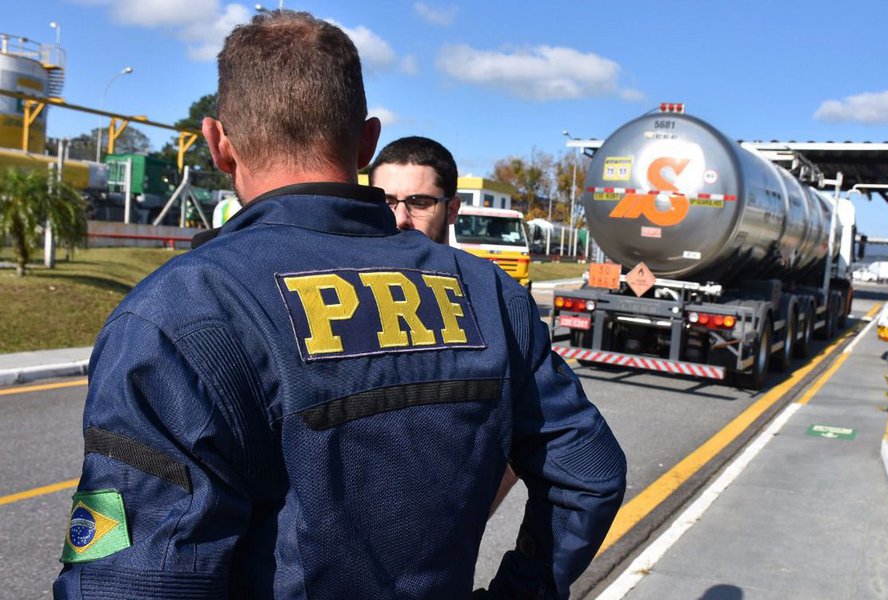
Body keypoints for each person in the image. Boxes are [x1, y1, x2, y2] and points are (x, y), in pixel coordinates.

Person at [53, 10, 625, 600]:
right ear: (367, 143)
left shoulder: (181, 311)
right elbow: (591, 475)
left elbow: (133, 583)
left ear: (219, 144)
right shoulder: (486, 292)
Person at [369, 136, 517, 515]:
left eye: (419, 203)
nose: (400, 217)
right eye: (385, 201)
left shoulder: (490, 299)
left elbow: (538, 441)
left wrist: (467, 522)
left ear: (452, 210)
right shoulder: (336, 294)